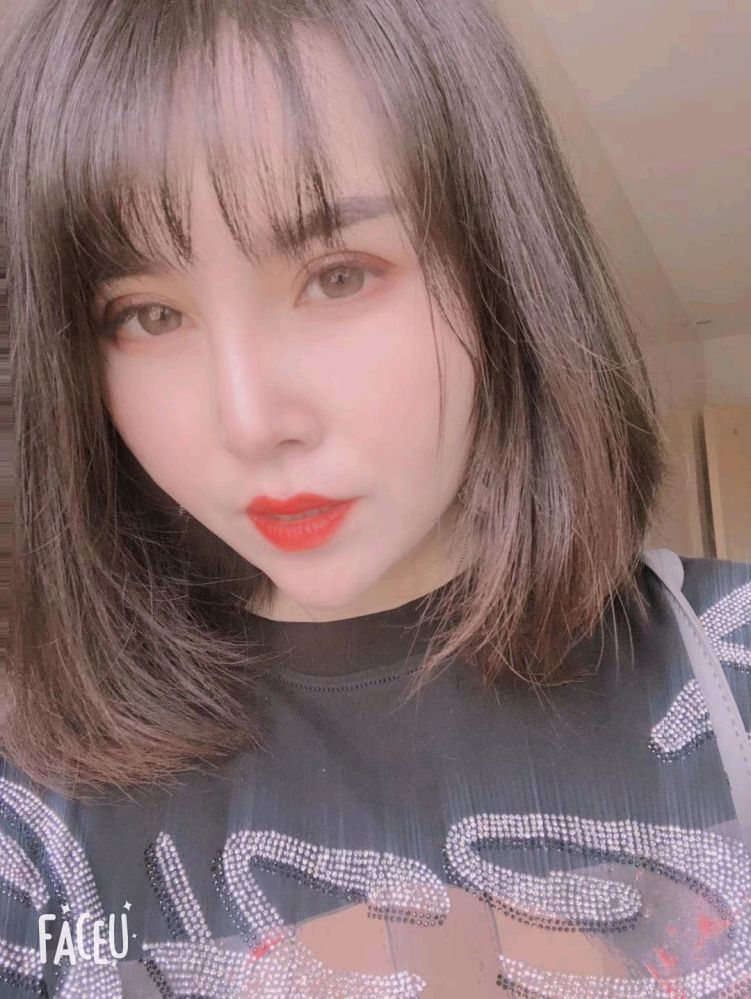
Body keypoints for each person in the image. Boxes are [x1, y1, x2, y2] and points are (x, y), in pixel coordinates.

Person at [1, 0, 749, 996]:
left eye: (339, 277)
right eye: (148, 314)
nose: (249, 421)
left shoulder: (728, 664)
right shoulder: (33, 811)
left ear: (499, 267)